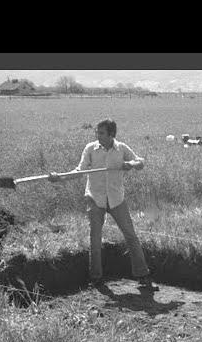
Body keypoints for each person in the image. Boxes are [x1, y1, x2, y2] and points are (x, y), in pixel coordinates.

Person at [48, 119, 157, 290]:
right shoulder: (90, 149)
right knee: (95, 238)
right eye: (97, 132)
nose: (97, 136)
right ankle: (96, 278)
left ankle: (143, 274)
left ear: (111, 135)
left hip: (116, 199)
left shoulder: (121, 148)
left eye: (101, 133)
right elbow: (79, 171)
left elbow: (140, 162)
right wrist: (59, 177)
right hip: (95, 198)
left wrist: (131, 164)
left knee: (131, 235)